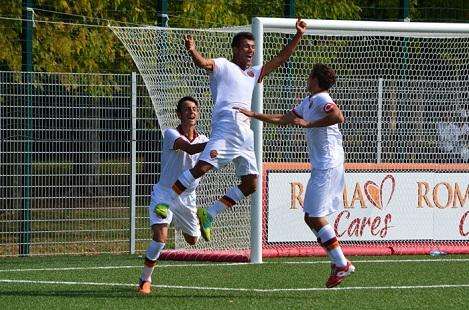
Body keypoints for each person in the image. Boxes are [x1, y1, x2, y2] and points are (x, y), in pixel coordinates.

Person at [168, 18, 307, 241]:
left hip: (245, 134)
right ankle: (167, 199)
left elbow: (281, 58)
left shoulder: (253, 74)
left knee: (251, 183)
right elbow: (203, 63)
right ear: (235, 49)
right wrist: (193, 51)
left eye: (253, 48)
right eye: (246, 47)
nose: (250, 51)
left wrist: (298, 35)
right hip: (226, 127)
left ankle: (210, 213)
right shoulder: (223, 65)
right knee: (202, 168)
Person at [236, 63, 355, 288]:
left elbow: (338, 116)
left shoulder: (321, 98)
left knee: (314, 216)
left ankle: (341, 264)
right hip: (323, 164)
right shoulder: (309, 101)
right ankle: (339, 262)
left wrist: (309, 123)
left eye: (310, 76)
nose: (307, 78)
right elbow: (284, 119)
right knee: (310, 216)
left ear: (315, 80)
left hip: (329, 164)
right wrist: (253, 114)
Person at [137, 96, 208, 295]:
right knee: (160, 239)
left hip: (187, 198)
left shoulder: (204, 139)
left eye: (194, 108)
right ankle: (145, 279)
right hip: (165, 195)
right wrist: (218, 141)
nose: (191, 112)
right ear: (179, 114)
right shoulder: (170, 134)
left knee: (193, 240)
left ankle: (197, 217)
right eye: (186, 109)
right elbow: (190, 148)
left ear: (198, 113)